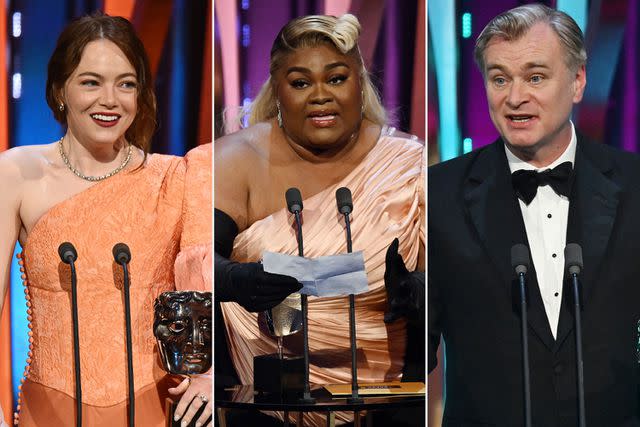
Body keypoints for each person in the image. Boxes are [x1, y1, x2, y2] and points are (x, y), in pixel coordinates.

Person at [429, 4, 640, 426]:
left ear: (577, 81)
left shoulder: (635, 185)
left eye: (535, 77)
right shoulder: (437, 193)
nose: (514, 97)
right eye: (499, 78)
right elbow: (413, 353)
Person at [214, 13, 425, 426]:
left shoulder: (406, 163)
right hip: (263, 401)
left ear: (359, 83)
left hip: (387, 403)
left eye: (336, 78)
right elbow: (195, 265)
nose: (320, 96)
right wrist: (240, 281)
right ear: (278, 90)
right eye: (300, 83)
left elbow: (458, 277)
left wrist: (422, 289)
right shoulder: (235, 161)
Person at [0, 14, 210, 426]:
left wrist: (209, 371)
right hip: (51, 412)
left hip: (158, 408)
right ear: (61, 90)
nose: (110, 100)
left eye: (126, 83)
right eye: (91, 82)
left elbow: (206, 295)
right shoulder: (16, 173)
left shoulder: (177, 179)